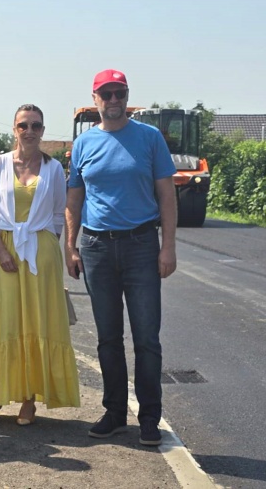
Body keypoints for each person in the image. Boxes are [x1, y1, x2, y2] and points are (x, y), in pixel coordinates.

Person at [65, 69, 177, 447]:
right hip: (96, 248)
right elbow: (74, 200)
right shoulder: (83, 145)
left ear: (127, 96)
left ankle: (149, 418)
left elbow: (167, 196)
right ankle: (114, 413)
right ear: (95, 98)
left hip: (141, 246)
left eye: (120, 93)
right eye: (106, 93)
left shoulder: (149, 138)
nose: (113, 100)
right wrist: (71, 245)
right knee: (107, 338)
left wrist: (168, 246)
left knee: (147, 338)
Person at [0, 104, 80, 425]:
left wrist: (47, 249)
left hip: (41, 254)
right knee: (4, 323)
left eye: (36, 126)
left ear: (43, 131)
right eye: (23, 126)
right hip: (5, 249)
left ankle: (28, 400)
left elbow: (59, 214)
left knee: (36, 323)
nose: (29, 131)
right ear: (14, 129)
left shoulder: (52, 170)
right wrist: (2, 250)